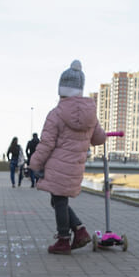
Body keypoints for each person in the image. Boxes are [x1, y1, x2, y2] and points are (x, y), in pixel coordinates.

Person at [28, 61, 107, 254]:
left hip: (57, 165)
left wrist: (34, 164)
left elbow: (46, 143)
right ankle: (79, 230)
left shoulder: (56, 114)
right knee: (59, 200)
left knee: (59, 201)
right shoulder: (91, 115)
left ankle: (64, 239)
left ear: (61, 89)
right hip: (75, 166)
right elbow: (99, 139)